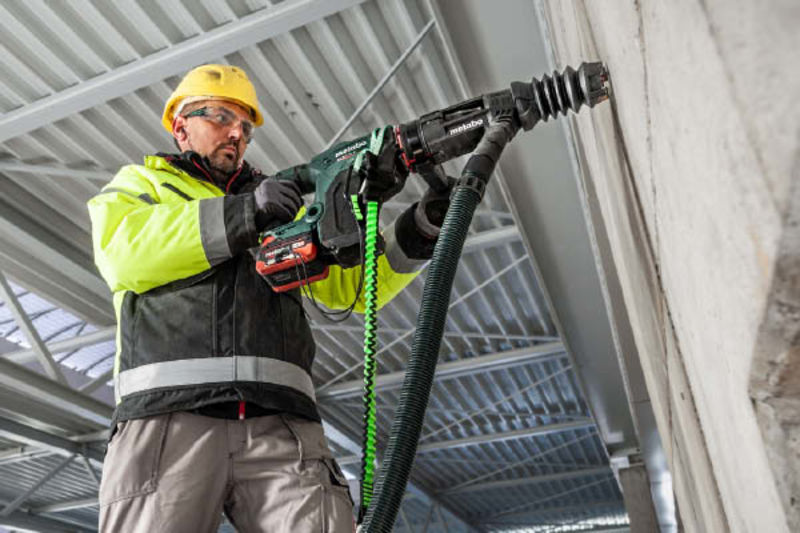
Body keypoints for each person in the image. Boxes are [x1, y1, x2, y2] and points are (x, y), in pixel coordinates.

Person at [87, 64, 450, 532]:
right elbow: (123, 252)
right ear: (180, 126)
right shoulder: (144, 185)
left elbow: (351, 289)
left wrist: (420, 228)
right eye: (221, 117)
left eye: (245, 127)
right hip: (168, 420)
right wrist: (246, 214)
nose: (236, 134)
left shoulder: (277, 207)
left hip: (281, 425)